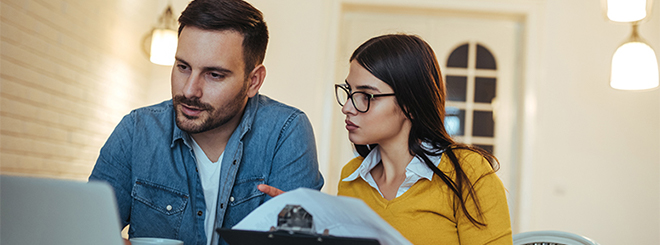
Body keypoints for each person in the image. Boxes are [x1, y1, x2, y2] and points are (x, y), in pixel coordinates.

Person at [89, 1, 324, 245]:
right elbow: (87, 229)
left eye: (214, 75)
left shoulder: (286, 132)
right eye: (183, 67)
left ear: (253, 81)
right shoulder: (136, 130)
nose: (190, 90)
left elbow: (296, 240)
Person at [260, 34, 512, 244]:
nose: (347, 107)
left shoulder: (468, 173)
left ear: (410, 104)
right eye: (349, 91)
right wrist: (309, 230)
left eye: (366, 95)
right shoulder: (352, 179)